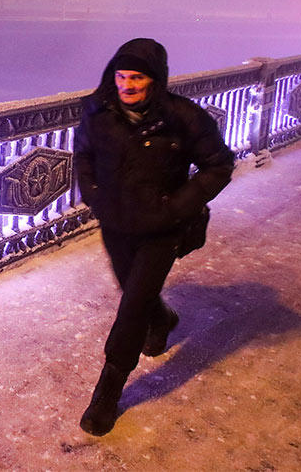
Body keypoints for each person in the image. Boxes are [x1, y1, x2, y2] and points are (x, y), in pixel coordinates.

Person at [73, 37, 235, 435]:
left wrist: (176, 208)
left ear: (155, 81)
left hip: (161, 229)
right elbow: (84, 156)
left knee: (131, 308)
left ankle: (107, 395)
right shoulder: (99, 113)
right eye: (122, 76)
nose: (127, 85)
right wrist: (96, 198)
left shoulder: (183, 118)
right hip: (116, 225)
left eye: (137, 78)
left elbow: (219, 164)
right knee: (136, 294)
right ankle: (163, 318)